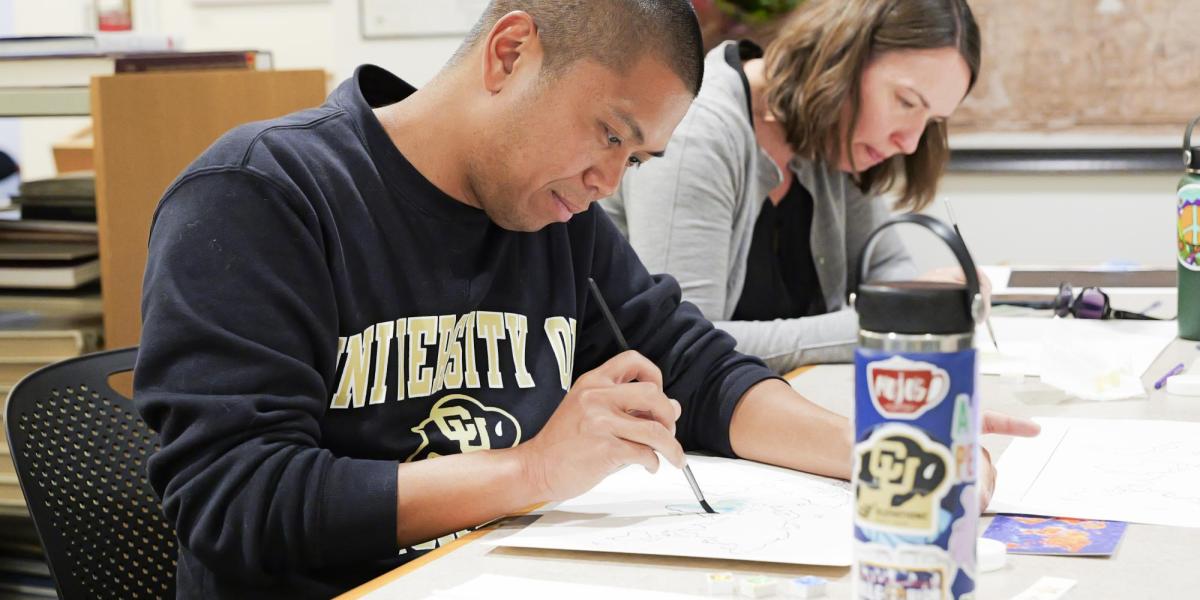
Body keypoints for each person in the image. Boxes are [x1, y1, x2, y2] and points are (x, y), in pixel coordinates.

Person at [134, 1, 1036, 597]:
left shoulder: (555, 214)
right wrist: (531, 470)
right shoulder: (261, 196)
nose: (607, 181)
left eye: (635, 159)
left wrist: (893, 450)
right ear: (511, 51)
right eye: (607, 134)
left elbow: (702, 370)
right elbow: (234, 498)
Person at [603, 0, 989, 373]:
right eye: (906, 101)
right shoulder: (698, 133)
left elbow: (885, 266)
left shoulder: (832, 135)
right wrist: (882, 322)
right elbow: (682, 346)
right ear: (842, 59)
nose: (909, 142)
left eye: (932, 121)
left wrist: (924, 297)